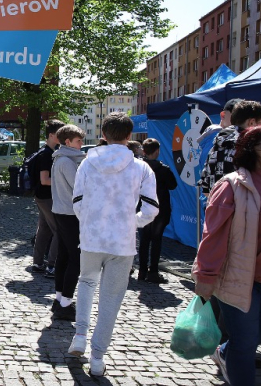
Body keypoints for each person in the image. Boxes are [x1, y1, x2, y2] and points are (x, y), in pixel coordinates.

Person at [68, 112, 159, 376]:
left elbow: (77, 201)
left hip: (92, 237)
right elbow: (152, 209)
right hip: (122, 241)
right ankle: (97, 358)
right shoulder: (141, 167)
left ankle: (80, 335)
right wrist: (133, 222)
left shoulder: (87, 162)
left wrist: (90, 221)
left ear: (104, 135)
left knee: (86, 283)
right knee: (111, 298)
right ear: (130, 137)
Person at [193, 125, 261, 386]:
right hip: (240, 277)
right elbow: (213, 234)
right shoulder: (232, 185)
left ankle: (223, 352)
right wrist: (206, 274)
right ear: (250, 150)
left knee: (254, 337)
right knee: (245, 344)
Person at [50, 124, 86, 321]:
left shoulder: (62, 159)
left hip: (62, 212)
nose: (82, 144)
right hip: (69, 214)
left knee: (64, 255)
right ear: (67, 142)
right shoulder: (66, 161)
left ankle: (59, 299)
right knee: (75, 257)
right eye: (78, 141)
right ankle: (65, 302)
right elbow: (79, 186)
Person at [200, 100, 261, 194]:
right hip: (246, 206)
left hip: (217, 205)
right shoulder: (250, 146)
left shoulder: (215, 147)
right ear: (252, 123)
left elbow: (205, 188)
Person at [138, 138, 178, 283]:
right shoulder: (163, 169)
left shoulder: (139, 168)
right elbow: (173, 185)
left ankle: (142, 271)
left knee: (144, 239)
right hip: (160, 208)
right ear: (157, 152)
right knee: (156, 239)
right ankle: (153, 271)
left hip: (142, 207)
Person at [31, 119, 65, 278]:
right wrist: (63, 182)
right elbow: (45, 180)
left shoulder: (46, 151)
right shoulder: (46, 155)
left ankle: (38, 263)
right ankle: (52, 265)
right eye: (60, 134)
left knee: (44, 230)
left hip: (42, 197)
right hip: (46, 197)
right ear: (52, 135)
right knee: (59, 231)